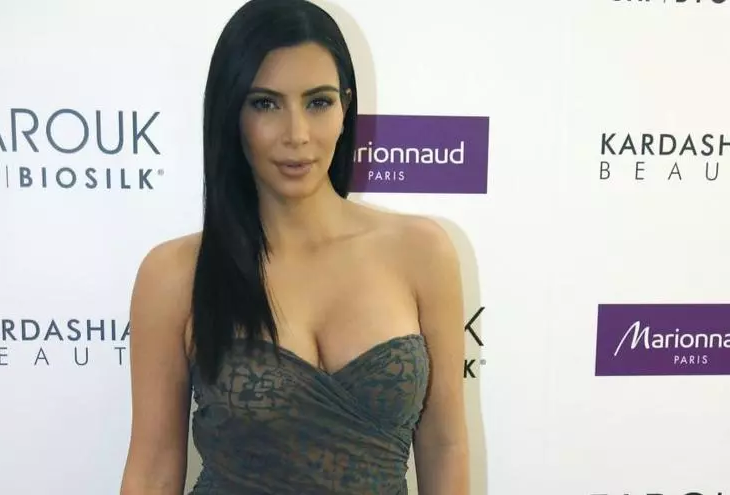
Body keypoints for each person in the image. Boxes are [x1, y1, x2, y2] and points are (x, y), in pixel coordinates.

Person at [119, 0, 469, 493]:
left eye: (318, 102)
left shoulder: (422, 252)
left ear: (345, 108)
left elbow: (444, 444)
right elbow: (154, 468)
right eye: (266, 104)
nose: (297, 135)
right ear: (231, 113)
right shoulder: (175, 273)